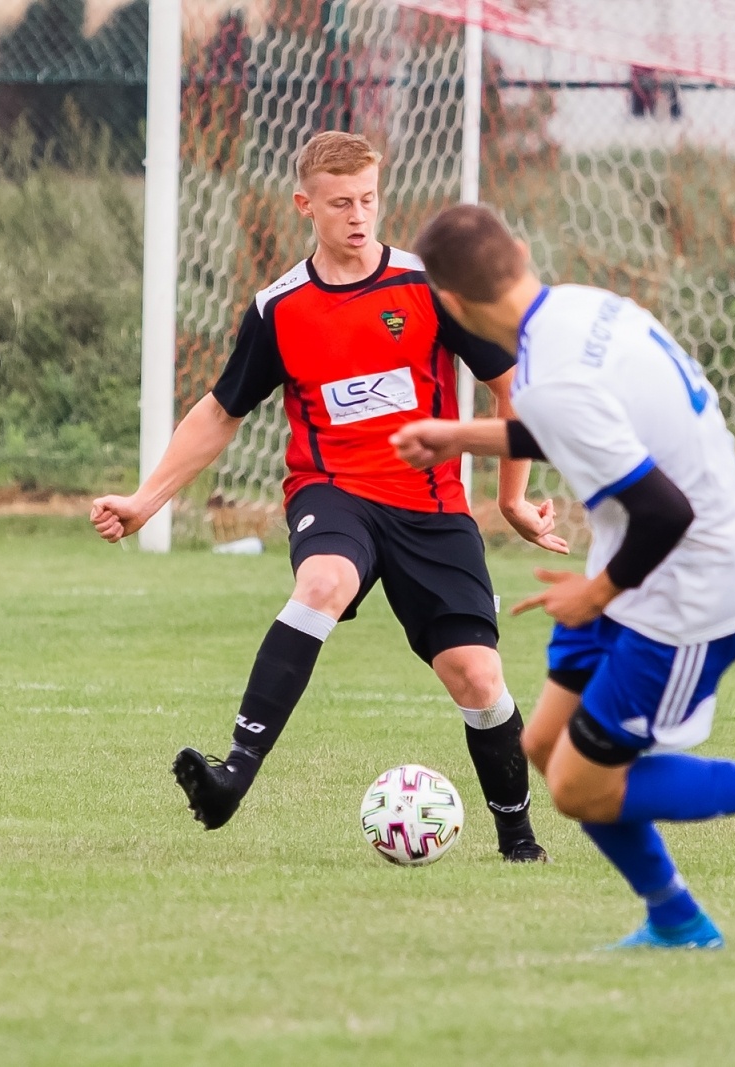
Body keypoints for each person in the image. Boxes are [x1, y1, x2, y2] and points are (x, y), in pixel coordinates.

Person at [391, 205, 735, 949]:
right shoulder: (583, 309)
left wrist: (592, 595)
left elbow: (664, 510)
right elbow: (582, 418)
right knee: (544, 743)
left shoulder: (549, 377)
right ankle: (675, 919)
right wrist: (462, 435)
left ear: (451, 303)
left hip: (688, 589)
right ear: (522, 252)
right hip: (644, 571)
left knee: (576, 785)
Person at [90, 133, 566, 861]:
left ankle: (518, 838)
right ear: (304, 204)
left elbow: (512, 385)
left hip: (431, 507)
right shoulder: (280, 308)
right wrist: (148, 499)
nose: (358, 215)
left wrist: (510, 500)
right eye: (341, 202)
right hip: (334, 491)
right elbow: (220, 412)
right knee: (322, 580)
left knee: (477, 674)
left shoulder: (428, 287)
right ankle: (229, 780)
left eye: (369, 199)